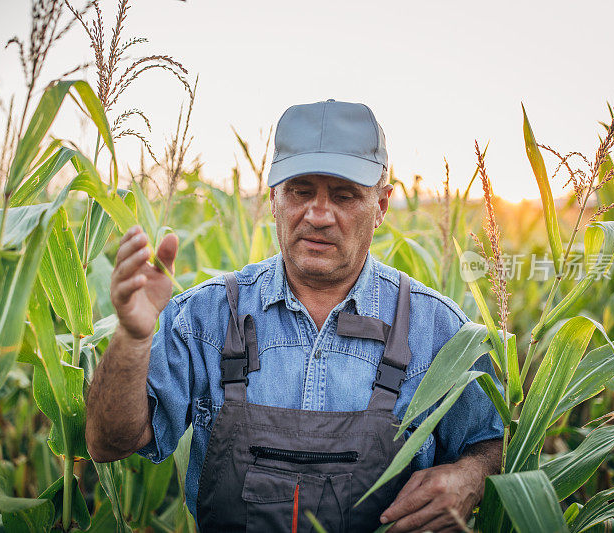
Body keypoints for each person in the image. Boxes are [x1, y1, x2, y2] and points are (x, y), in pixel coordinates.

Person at [86, 99, 504, 532]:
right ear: (274, 199)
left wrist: (471, 477)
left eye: (344, 195)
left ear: (381, 205)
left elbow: (491, 444)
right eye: (301, 191)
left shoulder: (440, 331)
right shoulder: (206, 317)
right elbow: (107, 443)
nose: (318, 215)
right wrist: (133, 336)